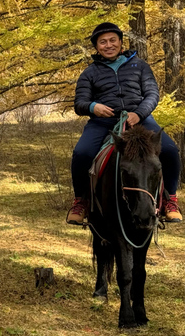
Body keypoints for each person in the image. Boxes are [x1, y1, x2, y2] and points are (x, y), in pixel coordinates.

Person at [68, 22, 182, 225]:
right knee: (82, 153)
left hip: (140, 119)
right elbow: (80, 103)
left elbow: (152, 94)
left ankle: (169, 200)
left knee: (171, 150)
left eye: (113, 40)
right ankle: (81, 201)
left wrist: (138, 114)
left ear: (121, 43)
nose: (108, 45)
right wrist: (94, 107)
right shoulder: (89, 73)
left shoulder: (140, 66)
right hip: (102, 122)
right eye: (103, 42)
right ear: (97, 47)